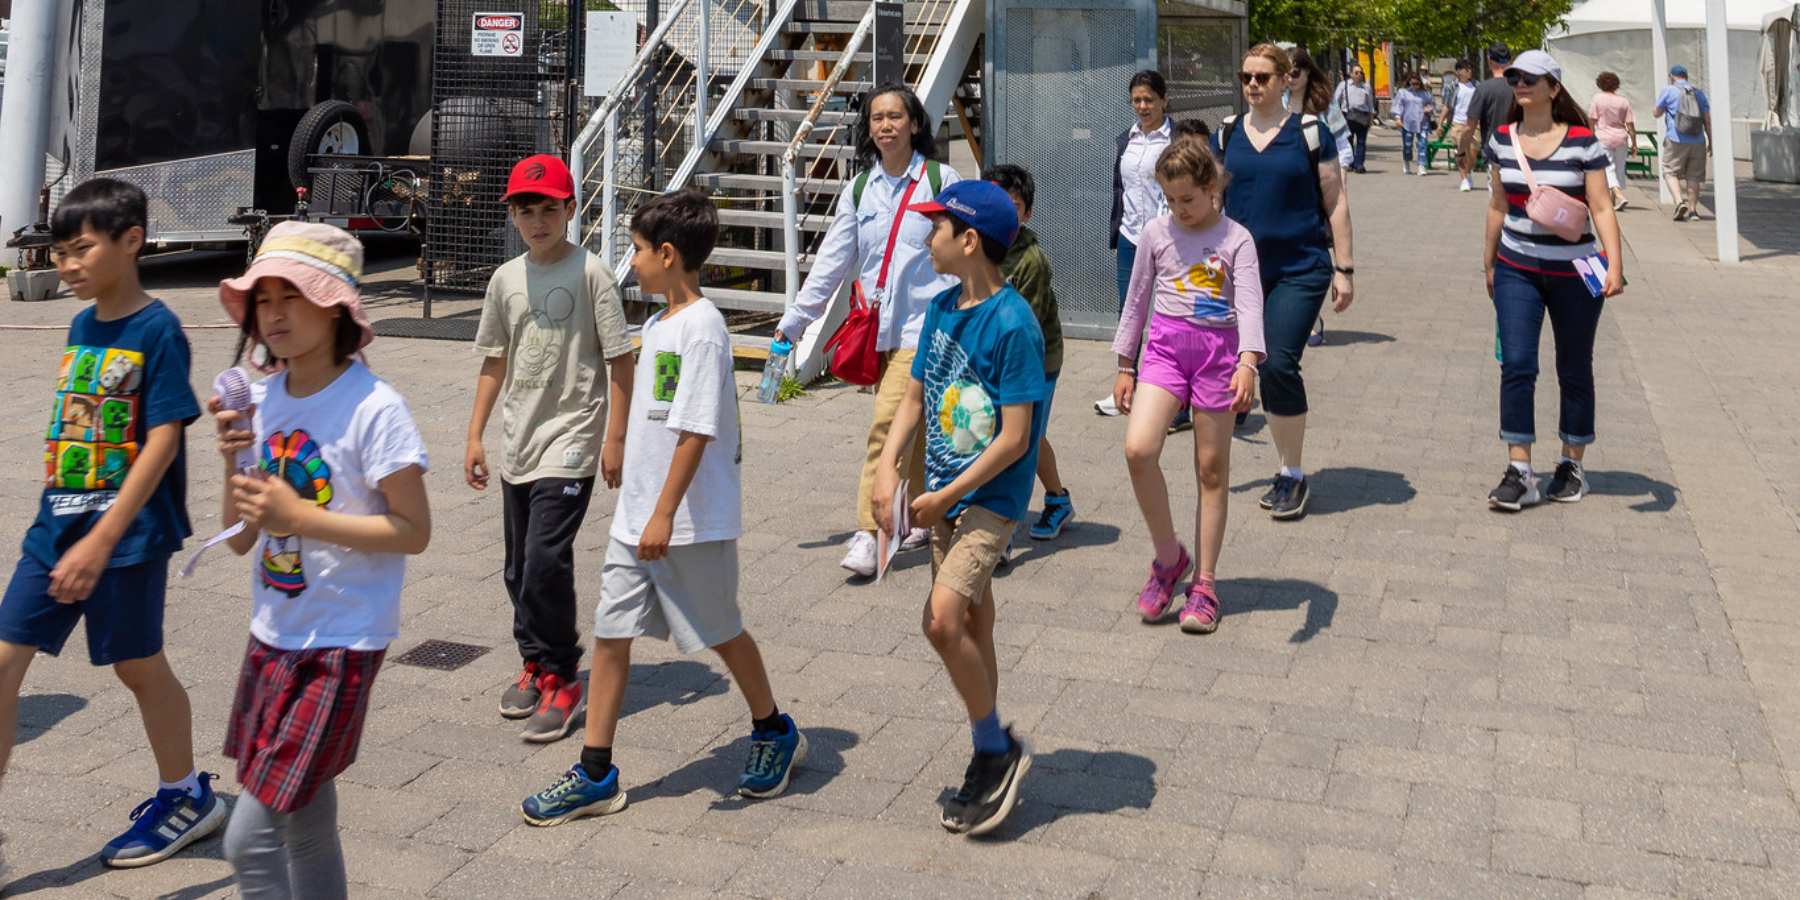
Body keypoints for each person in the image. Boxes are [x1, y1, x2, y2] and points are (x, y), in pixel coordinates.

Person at [521, 190, 806, 826]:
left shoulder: (703, 329)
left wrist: (664, 512)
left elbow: (696, 429)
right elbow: (651, 406)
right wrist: (621, 448)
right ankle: (596, 771)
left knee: (721, 631)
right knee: (610, 633)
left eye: (640, 250)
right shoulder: (657, 325)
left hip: (689, 521)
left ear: (669, 254)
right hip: (637, 518)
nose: (634, 261)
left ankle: (774, 728)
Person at [0, 178, 221, 868]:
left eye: (81, 249)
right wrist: (70, 533)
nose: (67, 265)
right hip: (55, 531)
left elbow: (163, 440)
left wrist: (101, 541)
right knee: (2, 663)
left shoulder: (158, 330)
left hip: (126, 539)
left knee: (137, 665)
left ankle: (187, 796)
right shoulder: (80, 325)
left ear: (132, 241)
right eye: (60, 251)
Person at [211, 222, 432, 898]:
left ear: (335, 306)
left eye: (292, 296)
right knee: (306, 825)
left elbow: (413, 530)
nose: (273, 314)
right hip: (273, 635)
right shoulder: (264, 401)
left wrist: (301, 517)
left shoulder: (375, 408)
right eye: (263, 299)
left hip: (340, 645)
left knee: (248, 842)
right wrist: (233, 459)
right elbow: (240, 537)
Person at [873, 180, 1045, 835]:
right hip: (942, 494)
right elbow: (915, 397)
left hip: (990, 500)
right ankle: (989, 751)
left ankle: (993, 745)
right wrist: (888, 466)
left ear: (969, 241)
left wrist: (946, 495)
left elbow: (1016, 438)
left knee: (941, 621)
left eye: (936, 228)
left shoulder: (1013, 323)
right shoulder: (943, 308)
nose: (927, 238)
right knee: (973, 621)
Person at [467, 154, 635, 743]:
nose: (536, 221)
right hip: (520, 439)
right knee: (517, 568)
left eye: (547, 209)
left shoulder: (592, 273)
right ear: (512, 216)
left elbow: (620, 360)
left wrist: (615, 438)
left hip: (573, 437)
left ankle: (563, 675)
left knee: (545, 558)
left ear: (569, 209)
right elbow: (494, 360)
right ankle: (534, 661)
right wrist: (475, 434)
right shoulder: (505, 280)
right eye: (525, 211)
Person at [777, 83, 955, 577]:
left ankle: (869, 529)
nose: (886, 126)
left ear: (914, 124)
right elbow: (833, 261)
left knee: (887, 428)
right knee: (915, 429)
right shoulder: (860, 189)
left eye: (895, 117)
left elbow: (964, 250)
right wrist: (797, 320)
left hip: (929, 328)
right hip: (882, 331)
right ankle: (915, 514)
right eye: (877, 118)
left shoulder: (940, 180)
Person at [1111, 136, 1264, 634]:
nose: (1179, 209)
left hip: (1219, 356)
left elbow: (1250, 304)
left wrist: (1248, 362)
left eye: (1188, 199)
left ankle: (1205, 584)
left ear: (1212, 187)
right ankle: (1168, 558)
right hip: (1165, 350)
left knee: (1211, 469)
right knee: (1138, 449)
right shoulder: (1156, 233)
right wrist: (1125, 363)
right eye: (1170, 199)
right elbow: (1137, 299)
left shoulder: (1237, 239)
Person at [1213, 43, 1355, 520]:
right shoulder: (1227, 133)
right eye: (1246, 77)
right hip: (1240, 274)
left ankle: (1291, 472)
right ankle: (1253, 463)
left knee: (1276, 362)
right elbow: (1212, 201)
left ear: (1284, 79)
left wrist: (1344, 269)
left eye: (1263, 77)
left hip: (1300, 266)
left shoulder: (1309, 132)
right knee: (1238, 364)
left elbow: (1335, 201)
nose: (1253, 85)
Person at [1481, 50, 1624, 511]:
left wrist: (1614, 264)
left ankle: (1571, 463)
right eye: (1515, 78)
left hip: (1576, 271)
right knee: (1517, 364)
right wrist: (1489, 262)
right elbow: (1498, 204)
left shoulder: (1582, 142)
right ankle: (1520, 471)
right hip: (1517, 267)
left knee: (1574, 366)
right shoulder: (1502, 139)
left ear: (1554, 88)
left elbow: (1601, 206)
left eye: (1530, 78)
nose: (1520, 84)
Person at [984, 164, 1074, 541]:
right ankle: (1058, 499)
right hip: (991, 357)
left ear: (1028, 213)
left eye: (1014, 206)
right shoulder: (975, 243)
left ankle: (1002, 527)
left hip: (1036, 360)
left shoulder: (1031, 259)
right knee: (1025, 437)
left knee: (1018, 440)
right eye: (995, 202)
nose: (1004, 212)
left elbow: (1028, 329)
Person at [1098, 70, 1173, 421]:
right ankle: (1126, 384)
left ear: (1164, 100)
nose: (1143, 106)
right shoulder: (1125, 139)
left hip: (1169, 238)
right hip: (1131, 237)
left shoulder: (1175, 139)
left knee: (1168, 313)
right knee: (1128, 312)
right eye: (1137, 100)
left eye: (1149, 100)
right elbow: (1122, 188)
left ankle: (1170, 392)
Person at [1652, 64, 1712, 222]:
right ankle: (1693, 211)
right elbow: (1707, 120)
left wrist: (1665, 108)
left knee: (1669, 171)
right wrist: (1710, 141)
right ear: (1686, 76)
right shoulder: (1699, 93)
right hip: (1698, 139)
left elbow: (1656, 113)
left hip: (1676, 138)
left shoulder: (1668, 90)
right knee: (1694, 176)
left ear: (1672, 76)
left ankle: (1679, 202)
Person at [1288, 49, 1356, 171]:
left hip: (1319, 174)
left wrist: (1340, 172)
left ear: (1307, 71)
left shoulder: (1324, 102)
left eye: (1295, 73)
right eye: (1284, 74)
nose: (1289, 79)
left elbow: (1343, 148)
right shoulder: (1276, 101)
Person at [1588, 72, 1637, 210]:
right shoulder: (1624, 101)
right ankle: (1613, 200)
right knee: (1619, 169)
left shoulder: (1597, 99)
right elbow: (1630, 124)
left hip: (1603, 137)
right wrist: (1634, 143)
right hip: (1621, 137)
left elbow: (1592, 119)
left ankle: (1619, 196)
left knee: (1607, 168)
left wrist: (1591, 136)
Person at [1470, 44, 1517, 152]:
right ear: (1510, 61)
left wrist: (1462, 150)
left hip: (1493, 150)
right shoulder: (1521, 87)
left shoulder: (1483, 88)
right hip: (1518, 149)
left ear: (1489, 60)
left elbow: (1470, 125)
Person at [1334, 65, 1377, 173]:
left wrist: (1371, 118)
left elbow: (1370, 104)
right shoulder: (1344, 85)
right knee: (1348, 141)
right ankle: (1350, 163)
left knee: (1361, 142)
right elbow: (1335, 101)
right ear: (1351, 74)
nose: (1359, 75)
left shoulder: (1366, 87)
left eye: (1361, 73)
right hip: (1347, 116)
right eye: (1356, 72)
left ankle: (1359, 165)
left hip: (1363, 116)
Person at [1392, 72, 1437, 176]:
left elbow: (1432, 104)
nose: (1415, 86)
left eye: (1417, 83)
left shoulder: (1425, 94)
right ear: (1409, 83)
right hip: (1407, 123)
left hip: (1423, 122)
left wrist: (1429, 108)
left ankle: (1421, 166)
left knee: (1423, 144)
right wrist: (1397, 118)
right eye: (1413, 83)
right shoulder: (1403, 92)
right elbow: (1398, 105)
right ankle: (1406, 161)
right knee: (1407, 145)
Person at [1449, 60, 1480, 190]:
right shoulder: (1452, 86)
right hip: (1458, 123)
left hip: (1474, 123)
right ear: (1459, 71)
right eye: (1467, 69)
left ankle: (1468, 172)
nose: (1469, 71)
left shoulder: (1477, 85)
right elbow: (1447, 105)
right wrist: (1440, 124)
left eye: (1470, 69)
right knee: (1461, 152)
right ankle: (1464, 180)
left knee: (1473, 153)